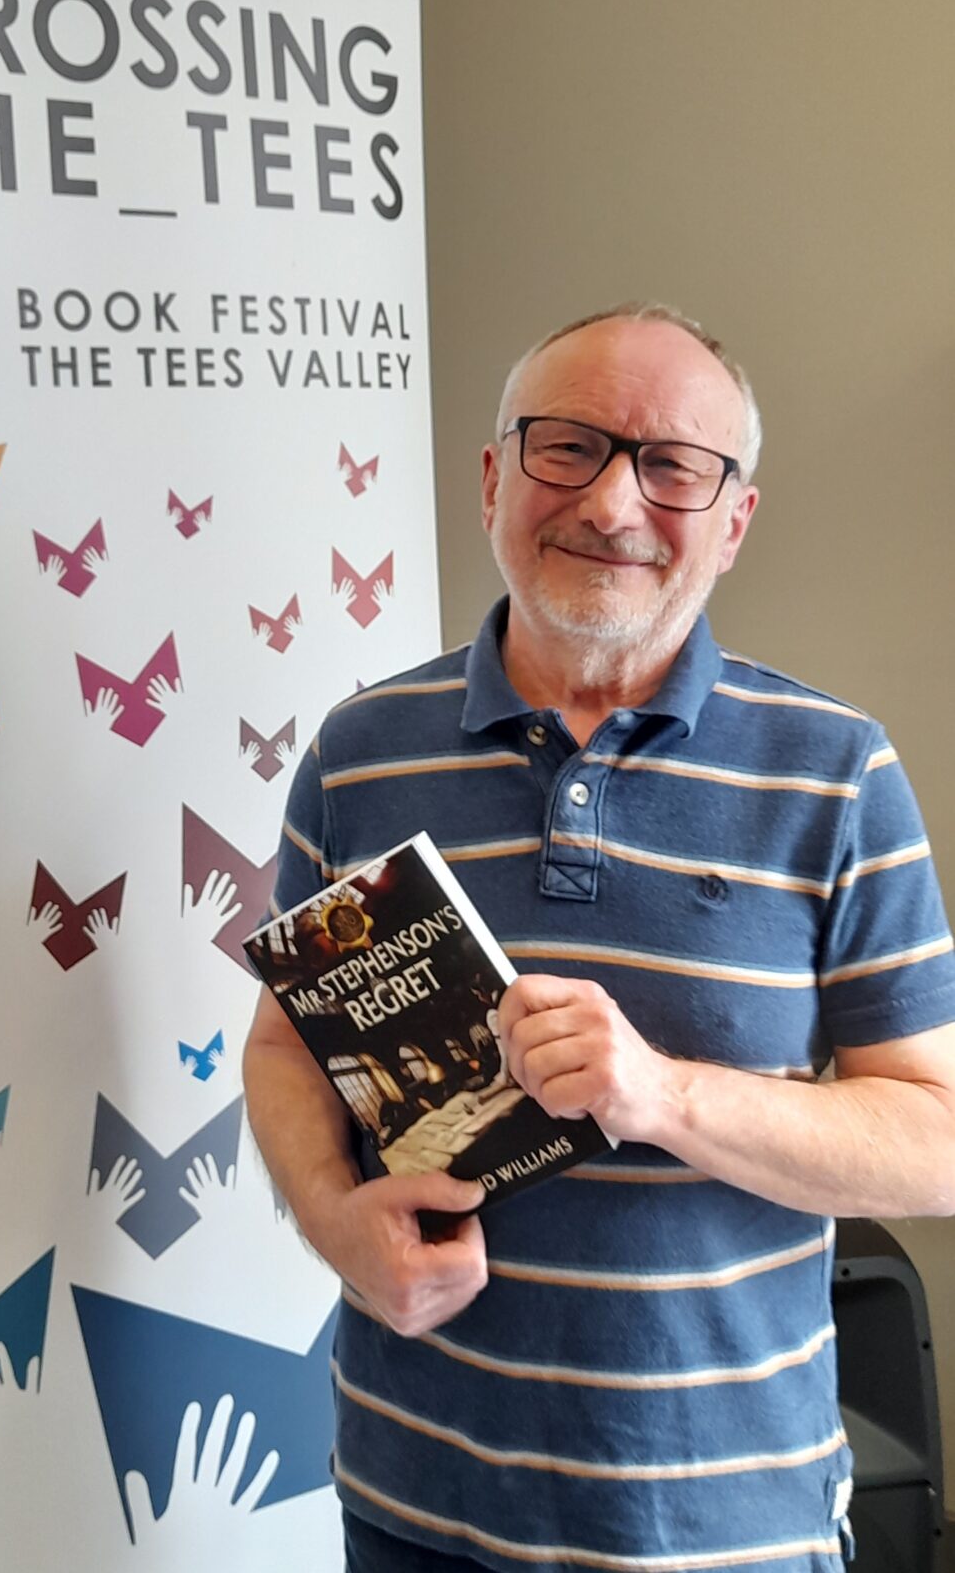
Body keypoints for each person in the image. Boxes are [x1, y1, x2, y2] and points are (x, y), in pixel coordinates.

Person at [242, 303, 955, 1573]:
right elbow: (287, 1049)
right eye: (567, 445)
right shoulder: (360, 752)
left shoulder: (836, 773)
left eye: (674, 465)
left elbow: (936, 1143)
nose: (614, 502)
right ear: (493, 481)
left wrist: (661, 1094)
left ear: (734, 522)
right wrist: (332, 1219)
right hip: (413, 1508)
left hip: (724, 1532)